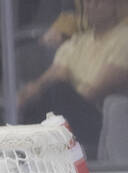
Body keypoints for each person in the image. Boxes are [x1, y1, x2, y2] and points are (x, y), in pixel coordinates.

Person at [19, 0, 128, 154]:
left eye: (98, 2)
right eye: (87, 2)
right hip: (70, 114)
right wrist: (32, 91)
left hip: (103, 123)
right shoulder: (77, 41)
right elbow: (54, 74)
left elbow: (93, 91)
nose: (90, 6)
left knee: (57, 92)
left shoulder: (124, 38)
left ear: (115, 5)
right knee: (37, 97)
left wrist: (60, 95)